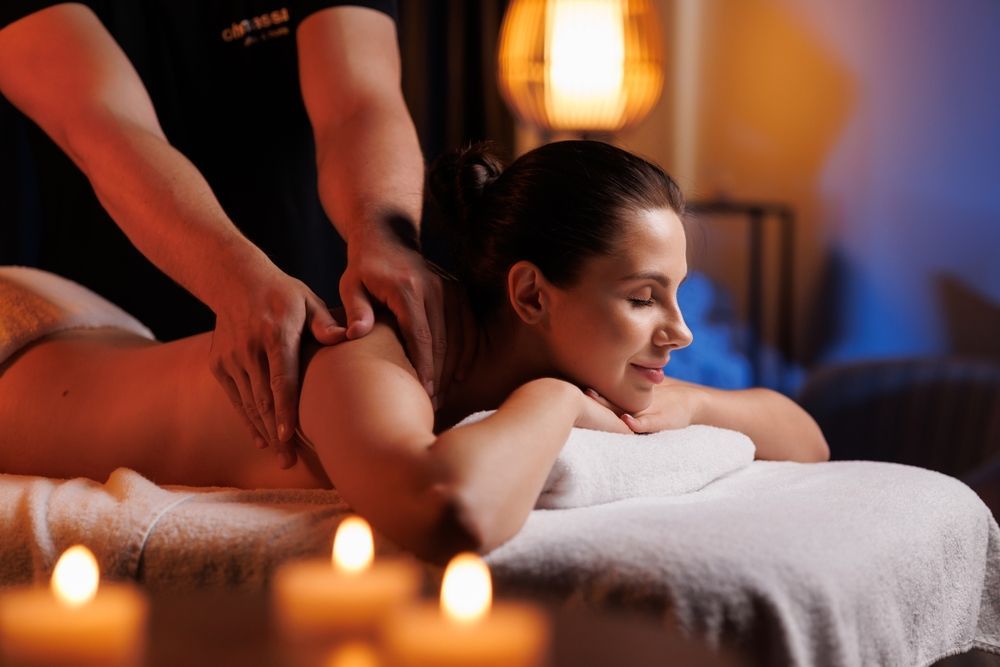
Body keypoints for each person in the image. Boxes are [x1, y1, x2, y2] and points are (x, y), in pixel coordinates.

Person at [0, 141, 830, 564]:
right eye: (644, 296)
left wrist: (683, 402)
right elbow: (448, 513)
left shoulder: (584, 360)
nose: (680, 330)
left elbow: (805, 439)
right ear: (531, 294)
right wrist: (552, 404)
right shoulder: (370, 355)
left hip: (98, 337)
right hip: (20, 342)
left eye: (676, 294)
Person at [0, 1, 464, 470]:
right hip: (117, 333)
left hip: (316, 307)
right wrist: (235, 280)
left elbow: (357, 103)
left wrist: (386, 231)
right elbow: (103, 124)